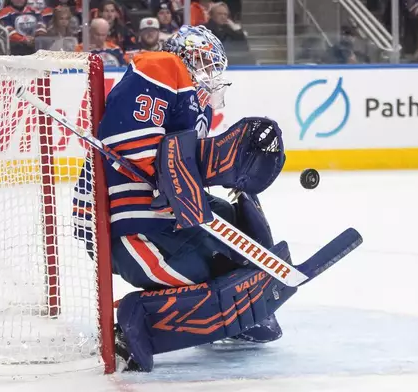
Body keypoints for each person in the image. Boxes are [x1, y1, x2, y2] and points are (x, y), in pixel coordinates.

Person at [72, 25, 289, 372]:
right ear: (183, 58)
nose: (210, 73)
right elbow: (131, 144)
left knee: (232, 220)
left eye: (213, 65)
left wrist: (228, 167)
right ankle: (141, 316)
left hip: (161, 219)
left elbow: (182, 165)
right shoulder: (161, 67)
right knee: (209, 271)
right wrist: (190, 168)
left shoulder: (196, 107)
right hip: (125, 226)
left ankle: (243, 311)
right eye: (202, 62)